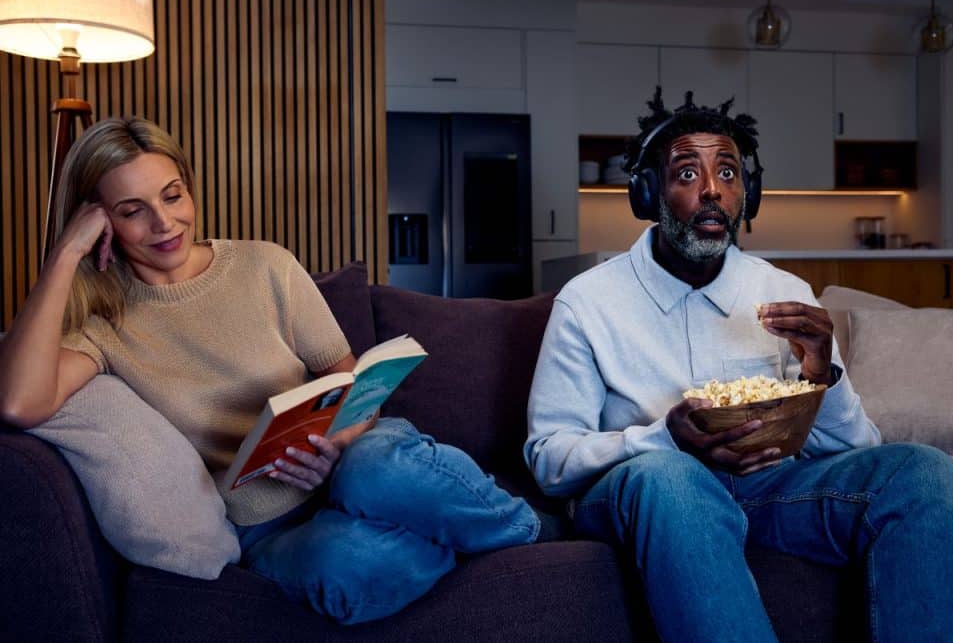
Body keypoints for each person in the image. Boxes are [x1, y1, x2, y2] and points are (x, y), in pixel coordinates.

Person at [0, 117, 548, 625]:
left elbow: (350, 377)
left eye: (173, 195)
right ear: (98, 220)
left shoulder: (265, 265)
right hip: (267, 525)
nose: (164, 222)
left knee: (377, 473)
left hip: (355, 457)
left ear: (189, 188)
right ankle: (445, 529)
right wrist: (64, 256)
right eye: (131, 210)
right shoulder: (103, 321)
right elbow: (18, 403)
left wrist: (339, 441)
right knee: (344, 570)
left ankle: (522, 530)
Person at [525, 88, 953, 642]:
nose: (714, 191)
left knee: (921, 470)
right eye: (688, 175)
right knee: (671, 476)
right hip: (646, 489)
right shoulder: (587, 302)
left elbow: (859, 449)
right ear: (647, 194)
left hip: (768, 492)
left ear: (751, 193)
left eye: (730, 174)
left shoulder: (783, 291)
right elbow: (548, 457)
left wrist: (819, 376)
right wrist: (663, 440)